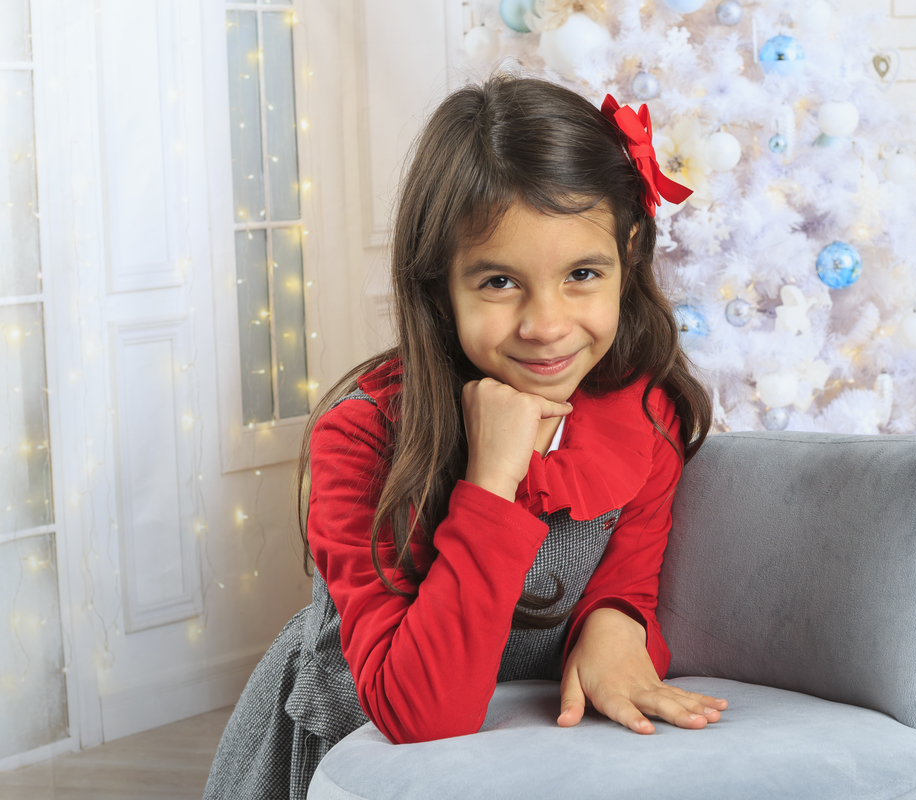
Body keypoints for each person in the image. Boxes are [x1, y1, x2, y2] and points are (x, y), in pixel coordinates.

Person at [205, 74, 723, 800]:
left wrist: (614, 626)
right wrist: (492, 479)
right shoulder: (359, 437)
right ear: (438, 280)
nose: (546, 324)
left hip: (523, 761)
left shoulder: (644, 412)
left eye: (581, 273)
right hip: (355, 760)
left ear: (629, 254)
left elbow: (626, 580)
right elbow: (421, 713)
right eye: (499, 283)